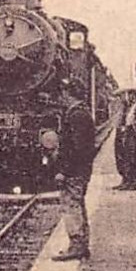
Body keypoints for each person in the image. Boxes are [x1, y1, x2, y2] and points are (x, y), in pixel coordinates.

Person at [52, 79, 96, 261]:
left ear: (69, 94)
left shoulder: (76, 115)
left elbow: (77, 149)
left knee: (71, 205)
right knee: (77, 203)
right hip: (80, 169)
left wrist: (64, 169)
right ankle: (82, 244)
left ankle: (77, 244)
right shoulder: (80, 113)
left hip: (74, 170)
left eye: (63, 94)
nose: (60, 98)